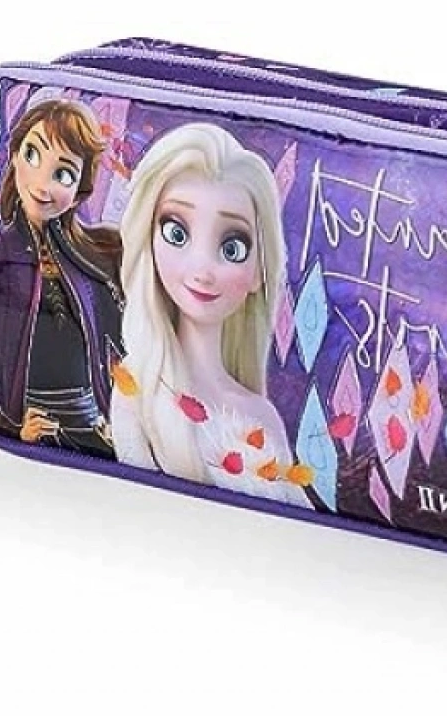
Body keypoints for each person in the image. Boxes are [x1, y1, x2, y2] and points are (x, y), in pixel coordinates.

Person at [111, 122, 309, 505]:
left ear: (259, 271)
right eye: (177, 233)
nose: (202, 269)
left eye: (233, 248)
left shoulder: (262, 416)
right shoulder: (138, 386)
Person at [0, 98, 124, 456]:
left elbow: (124, 346)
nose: (42, 184)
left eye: (63, 175)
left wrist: (121, 410)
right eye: (32, 154)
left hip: (96, 426)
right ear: (13, 155)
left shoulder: (93, 255)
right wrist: (9, 426)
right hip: (33, 428)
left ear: (80, 190)